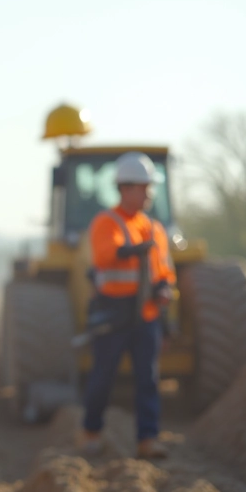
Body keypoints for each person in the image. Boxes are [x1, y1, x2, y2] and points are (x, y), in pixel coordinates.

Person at [80, 152, 176, 460]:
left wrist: (163, 288)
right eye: (144, 187)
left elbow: (164, 270)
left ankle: (147, 439)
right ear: (125, 188)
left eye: (150, 187)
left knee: (148, 380)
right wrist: (134, 250)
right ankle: (91, 433)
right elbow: (106, 255)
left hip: (146, 316)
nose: (149, 193)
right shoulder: (106, 222)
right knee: (102, 377)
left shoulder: (154, 228)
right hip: (114, 313)